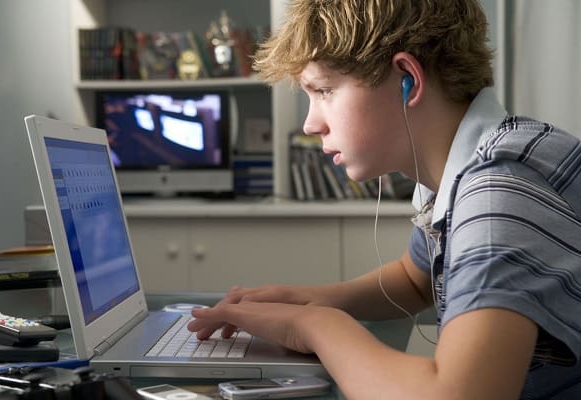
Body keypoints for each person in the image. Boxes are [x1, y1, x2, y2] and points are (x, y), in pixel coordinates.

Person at [188, 0, 581, 398]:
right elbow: (414, 280)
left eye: (324, 90)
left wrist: (314, 326)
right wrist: (310, 300)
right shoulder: (470, 164)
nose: (310, 124)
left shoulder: (498, 196)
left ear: (408, 79)